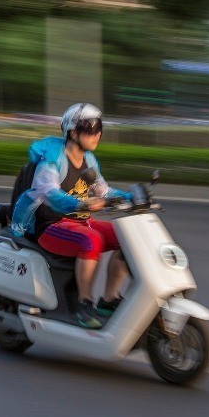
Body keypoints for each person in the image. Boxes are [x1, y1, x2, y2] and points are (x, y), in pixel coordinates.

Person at [10, 103, 132, 329]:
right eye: (90, 128)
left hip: (79, 222)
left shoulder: (89, 161)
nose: (97, 134)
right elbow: (49, 193)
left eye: (99, 128)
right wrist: (80, 202)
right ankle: (83, 305)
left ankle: (109, 299)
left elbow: (102, 189)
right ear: (73, 132)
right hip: (50, 225)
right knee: (91, 240)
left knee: (128, 237)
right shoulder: (53, 161)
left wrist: (131, 197)